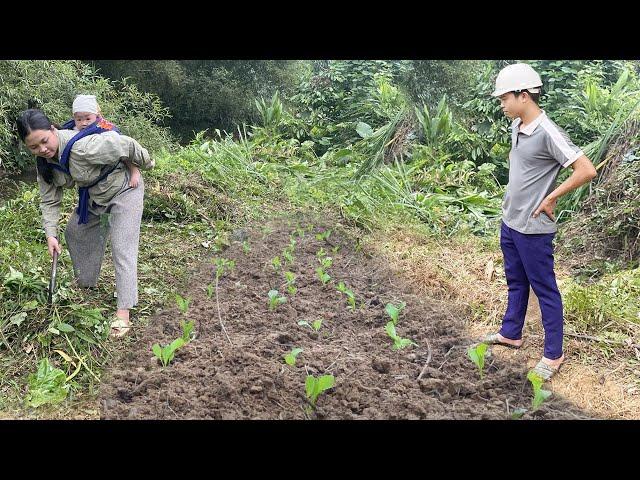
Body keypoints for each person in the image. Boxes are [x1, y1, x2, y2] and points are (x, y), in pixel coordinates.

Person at [482, 63, 597, 380]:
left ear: (523, 95)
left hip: (534, 229)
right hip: (511, 222)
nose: (502, 105)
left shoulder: (548, 132)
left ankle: (553, 355)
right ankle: (511, 333)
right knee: (516, 281)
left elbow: (586, 170)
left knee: (545, 290)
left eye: (505, 98)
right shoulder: (517, 126)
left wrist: (551, 197)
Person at [16, 108, 155, 338]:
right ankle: (86, 282)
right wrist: (51, 234)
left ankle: (124, 311)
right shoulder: (45, 164)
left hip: (124, 190)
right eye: (34, 147)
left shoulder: (83, 146)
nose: (42, 149)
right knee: (74, 232)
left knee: (122, 248)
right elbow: (49, 201)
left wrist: (144, 164)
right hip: (95, 196)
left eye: (44, 141)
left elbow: (126, 144)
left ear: (53, 130)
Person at [67, 94, 141, 189]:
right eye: (79, 119)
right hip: (89, 165)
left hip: (108, 154)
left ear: (96, 116)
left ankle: (134, 170)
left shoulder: (103, 127)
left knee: (120, 148)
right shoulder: (72, 130)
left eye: (88, 119)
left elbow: (120, 141)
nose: (84, 123)